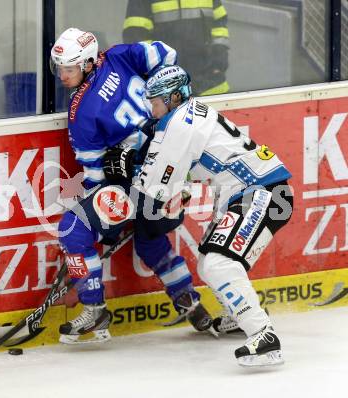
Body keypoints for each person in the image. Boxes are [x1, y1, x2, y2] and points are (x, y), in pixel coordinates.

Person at [103, 64, 293, 367]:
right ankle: (240, 316)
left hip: (263, 193)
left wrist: (129, 167)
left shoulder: (180, 124)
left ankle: (263, 335)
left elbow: (155, 188)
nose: (151, 110)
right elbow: (166, 161)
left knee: (219, 263)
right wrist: (138, 158)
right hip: (251, 193)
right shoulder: (187, 114)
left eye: (155, 103)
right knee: (209, 263)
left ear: (174, 98)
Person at [50, 28, 214, 344]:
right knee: (150, 241)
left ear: (86, 63)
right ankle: (190, 304)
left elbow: (96, 175)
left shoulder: (80, 110)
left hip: (137, 187)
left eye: (68, 68)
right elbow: (167, 56)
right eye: (59, 68)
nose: (62, 75)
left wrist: (103, 221)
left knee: (74, 229)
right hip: (175, 181)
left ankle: (95, 309)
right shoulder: (120, 57)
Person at [122, 0, 230, 96]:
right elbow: (137, 39)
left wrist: (218, 62)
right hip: (167, 90)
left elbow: (219, 25)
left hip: (211, 86)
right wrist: (159, 75)